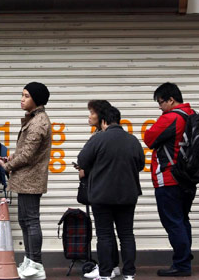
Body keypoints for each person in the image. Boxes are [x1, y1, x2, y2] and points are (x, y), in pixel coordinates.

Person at [78, 105, 144, 280]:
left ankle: (106, 273)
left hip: (102, 196)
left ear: (103, 120)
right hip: (128, 195)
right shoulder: (133, 140)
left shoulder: (98, 139)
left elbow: (82, 160)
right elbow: (141, 165)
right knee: (127, 234)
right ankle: (129, 273)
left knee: (105, 234)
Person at [0, 82, 51, 280]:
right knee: (25, 220)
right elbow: (25, 152)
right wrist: (11, 159)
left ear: (36, 99)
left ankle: (36, 265)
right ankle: (29, 261)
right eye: (22, 95)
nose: (22, 99)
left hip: (31, 180)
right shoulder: (34, 119)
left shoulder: (38, 122)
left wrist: (7, 166)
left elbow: (28, 155)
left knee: (31, 221)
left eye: (26, 96)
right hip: (25, 179)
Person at [143, 83, 195, 277]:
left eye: (161, 102)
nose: (159, 107)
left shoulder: (171, 117)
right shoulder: (192, 115)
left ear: (171, 100)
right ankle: (185, 259)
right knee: (182, 220)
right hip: (188, 179)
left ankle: (182, 265)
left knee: (173, 222)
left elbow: (149, 138)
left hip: (169, 178)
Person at [81, 100, 120, 280]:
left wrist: (85, 169)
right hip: (116, 188)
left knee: (104, 231)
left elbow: (88, 159)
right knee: (114, 231)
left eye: (92, 113)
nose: (89, 116)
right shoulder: (104, 134)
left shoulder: (101, 136)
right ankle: (113, 265)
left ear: (102, 116)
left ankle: (107, 268)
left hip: (102, 189)